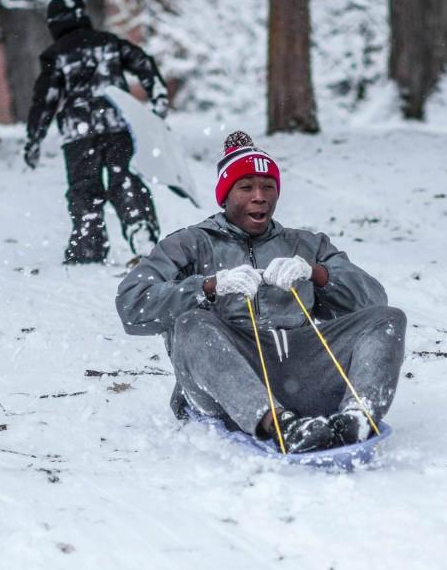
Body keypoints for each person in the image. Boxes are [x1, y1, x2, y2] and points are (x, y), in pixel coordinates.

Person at [115, 131, 406, 453]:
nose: (259, 196)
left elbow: (372, 300)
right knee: (191, 324)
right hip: (227, 383)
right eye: (246, 187)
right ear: (225, 196)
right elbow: (132, 305)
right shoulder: (189, 244)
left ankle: (357, 419)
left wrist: (316, 273)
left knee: (388, 319)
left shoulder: (306, 244)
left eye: (268, 187)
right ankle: (278, 424)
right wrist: (209, 287)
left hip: (301, 370)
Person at [24, 0, 171, 264]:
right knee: (124, 177)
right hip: (117, 125)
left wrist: (34, 138)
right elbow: (143, 63)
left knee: (84, 188)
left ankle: (88, 243)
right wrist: (158, 96)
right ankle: (140, 228)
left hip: (78, 134)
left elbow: (45, 101)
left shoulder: (56, 56)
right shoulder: (108, 44)